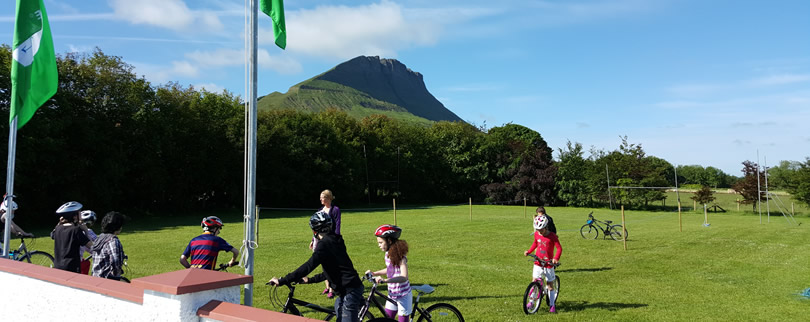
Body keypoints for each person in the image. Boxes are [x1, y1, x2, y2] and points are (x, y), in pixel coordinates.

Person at [269, 211, 364, 322]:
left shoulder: (324, 245)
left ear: (314, 231)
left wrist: (283, 280)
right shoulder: (335, 239)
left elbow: (309, 266)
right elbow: (334, 270)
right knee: (339, 309)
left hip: (349, 290)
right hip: (347, 289)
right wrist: (310, 280)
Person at [365, 225, 411, 322]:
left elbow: (404, 277)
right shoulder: (388, 254)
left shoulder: (401, 258)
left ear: (389, 241)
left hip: (403, 295)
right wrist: (374, 273)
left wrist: (386, 280)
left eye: (381, 242)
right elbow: (390, 269)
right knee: (388, 319)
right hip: (392, 294)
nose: (379, 245)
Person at [524, 215, 562, 314]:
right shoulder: (537, 234)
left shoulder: (552, 236)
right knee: (534, 282)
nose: (539, 231)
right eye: (538, 229)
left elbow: (559, 248)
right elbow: (535, 243)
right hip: (538, 262)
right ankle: (532, 302)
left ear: (546, 227)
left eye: (541, 229)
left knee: (550, 286)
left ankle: (552, 305)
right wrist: (529, 251)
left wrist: (555, 258)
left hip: (548, 264)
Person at [309, 189, 341, 298]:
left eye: (322, 197)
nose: (320, 199)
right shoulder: (320, 210)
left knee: (331, 263)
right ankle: (327, 287)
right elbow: (316, 228)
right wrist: (313, 240)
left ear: (328, 198)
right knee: (323, 262)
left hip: (330, 240)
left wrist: (335, 239)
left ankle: (332, 289)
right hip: (320, 240)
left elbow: (337, 226)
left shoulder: (335, 210)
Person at [52, 201, 93, 273]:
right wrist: (86, 230)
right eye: (79, 213)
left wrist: (59, 223)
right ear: (74, 216)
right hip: (72, 269)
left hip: (58, 266)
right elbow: (91, 247)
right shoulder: (75, 230)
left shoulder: (58, 228)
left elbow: (52, 235)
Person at [90, 212, 127, 280]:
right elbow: (115, 260)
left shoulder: (100, 238)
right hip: (107, 279)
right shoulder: (113, 240)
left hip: (95, 277)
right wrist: (117, 274)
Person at [79, 210, 98, 275]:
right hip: (77, 262)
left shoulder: (74, 230)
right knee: (87, 263)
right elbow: (97, 243)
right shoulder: (89, 231)